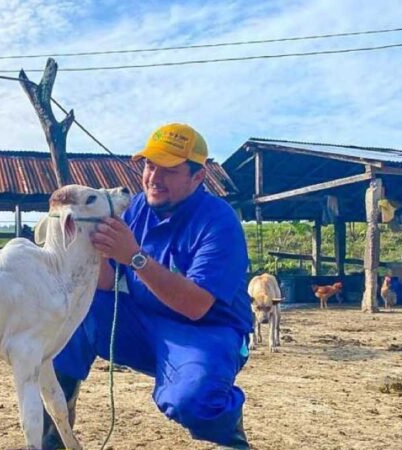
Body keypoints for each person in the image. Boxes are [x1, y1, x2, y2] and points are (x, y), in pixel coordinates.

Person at [42, 123, 253, 449]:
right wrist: (89, 248)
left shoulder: (219, 221)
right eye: (149, 165)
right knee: (69, 316)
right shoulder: (138, 207)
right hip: (141, 319)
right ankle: (52, 439)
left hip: (205, 331)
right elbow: (108, 282)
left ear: (198, 177)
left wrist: (135, 257)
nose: (154, 177)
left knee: (192, 401)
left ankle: (230, 433)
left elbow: (196, 306)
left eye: (169, 169)